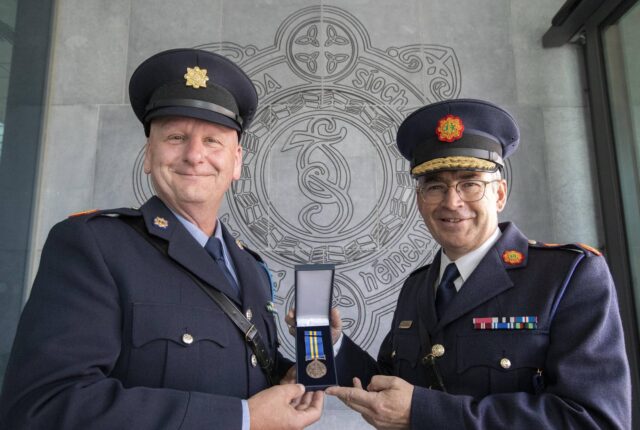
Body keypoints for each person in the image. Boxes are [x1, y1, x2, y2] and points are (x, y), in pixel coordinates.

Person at [0, 48, 323, 430]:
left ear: (236, 162)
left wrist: (292, 373)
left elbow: (243, 366)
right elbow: (43, 406)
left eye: (212, 141)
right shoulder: (94, 246)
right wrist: (242, 419)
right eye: (176, 136)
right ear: (149, 155)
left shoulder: (249, 267)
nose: (194, 156)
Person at [323, 99, 632, 429]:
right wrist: (335, 345)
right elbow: (390, 386)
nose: (452, 201)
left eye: (470, 183)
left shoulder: (569, 276)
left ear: (499, 194)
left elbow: (595, 420)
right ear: (419, 201)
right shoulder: (417, 286)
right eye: (435, 186)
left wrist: (425, 412)